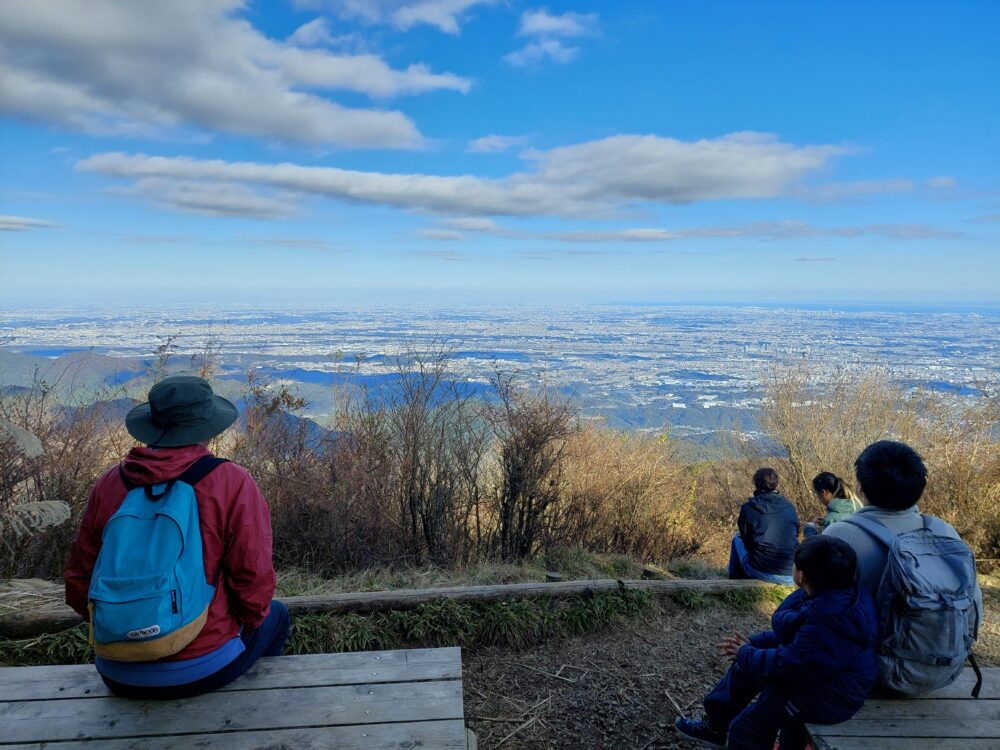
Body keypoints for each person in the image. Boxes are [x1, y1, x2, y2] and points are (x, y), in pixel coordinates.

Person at [65, 374, 289, 699]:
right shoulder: (230, 481)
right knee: (277, 616)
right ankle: (251, 707)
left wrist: (127, 627)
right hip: (202, 667)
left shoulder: (111, 483)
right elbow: (253, 580)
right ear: (207, 427)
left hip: (117, 670)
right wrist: (232, 624)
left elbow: (78, 581)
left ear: (153, 425)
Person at [676, 535, 878, 750]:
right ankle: (714, 728)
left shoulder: (830, 619)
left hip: (829, 695)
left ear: (800, 575)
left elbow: (789, 665)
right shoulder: (832, 594)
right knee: (744, 668)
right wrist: (751, 645)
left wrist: (747, 653)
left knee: (746, 730)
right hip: (815, 674)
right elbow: (797, 638)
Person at [728, 468, 799, 584]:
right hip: (792, 573)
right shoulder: (789, 507)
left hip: (763, 571)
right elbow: (795, 534)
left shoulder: (749, 507)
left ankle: (735, 584)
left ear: (756, 484)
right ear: (776, 484)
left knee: (737, 539)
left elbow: (746, 539)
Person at [802, 471, 861, 537]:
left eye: (817, 494)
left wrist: (810, 528)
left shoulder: (831, 519)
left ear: (824, 492)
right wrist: (824, 522)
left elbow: (819, 546)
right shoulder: (858, 507)